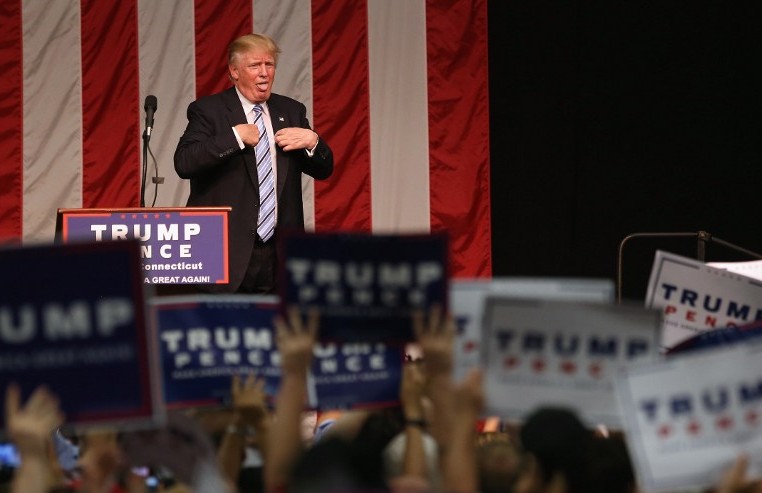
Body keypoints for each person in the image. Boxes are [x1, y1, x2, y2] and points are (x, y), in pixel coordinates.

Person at [174, 33, 334, 294]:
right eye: (254, 66)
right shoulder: (209, 111)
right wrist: (235, 137)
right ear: (234, 71)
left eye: (269, 65)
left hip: (277, 254)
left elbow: (324, 170)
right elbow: (184, 162)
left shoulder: (291, 111)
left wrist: (313, 141)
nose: (264, 73)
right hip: (225, 251)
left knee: (274, 333)